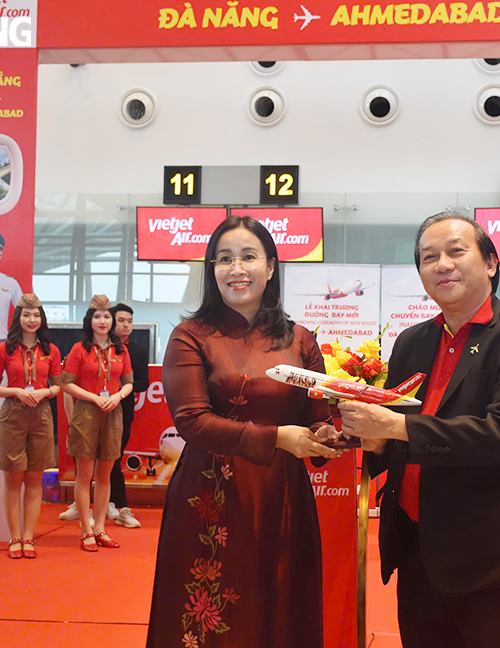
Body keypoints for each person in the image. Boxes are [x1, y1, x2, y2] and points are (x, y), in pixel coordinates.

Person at [338, 212, 500, 648]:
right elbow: (394, 439)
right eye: (428, 257)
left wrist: (396, 426)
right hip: (418, 551)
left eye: (456, 251)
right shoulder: (412, 341)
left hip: (492, 557)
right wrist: (359, 437)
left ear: (491, 263)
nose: (442, 264)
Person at [146, 215, 339, 648]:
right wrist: (279, 438)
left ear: (270, 266)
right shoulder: (191, 336)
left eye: (248, 257)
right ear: (212, 270)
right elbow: (192, 422)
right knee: (213, 615)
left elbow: (317, 419)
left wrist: (328, 437)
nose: (236, 269)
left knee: (280, 603)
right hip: (211, 499)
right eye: (224, 259)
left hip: (283, 494)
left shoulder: (301, 339)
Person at [0, 294, 62, 559]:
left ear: (42, 319)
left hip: (41, 414)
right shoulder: (3, 350)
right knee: (13, 478)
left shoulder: (50, 350)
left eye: (37, 315)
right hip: (13, 414)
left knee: (34, 478)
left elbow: (58, 385)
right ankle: (14, 537)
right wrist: (16, 391)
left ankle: (29, 537)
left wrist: (44, 393)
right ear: (18, 318)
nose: (32, 320)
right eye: (27, 314)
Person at [61, 295, 133, 552]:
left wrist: (117, 396)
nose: (102, 321)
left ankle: (101, 527)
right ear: (89, 321)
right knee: (85, 475)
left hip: (113, 413)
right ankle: (86, 529)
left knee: (105, 475)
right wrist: (93, 397)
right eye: (97, 316)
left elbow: (129, 383)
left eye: (106, 316)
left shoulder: (121, 350)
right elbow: (66, 383)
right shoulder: (79, 349)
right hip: (86, 413)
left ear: (112, 321)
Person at [107, 303, 148, 528]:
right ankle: (108, 502)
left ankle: (116, 503)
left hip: (124, 410)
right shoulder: (100, 347)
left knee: (115, 457)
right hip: (97, 407)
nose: (126, 325)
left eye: (129, 321)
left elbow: (143, 383)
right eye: (121, 320)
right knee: (98, 459)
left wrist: (123, 385)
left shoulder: (139, 350)